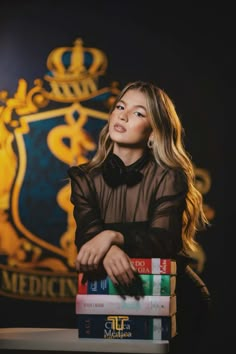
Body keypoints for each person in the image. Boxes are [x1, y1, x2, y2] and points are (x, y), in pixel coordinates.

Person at [68, 81, 211, 353]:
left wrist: (111, 236)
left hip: (176, 302)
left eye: (138, 113)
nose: (122, 115)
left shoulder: (169, 177)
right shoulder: (84, 178)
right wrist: (107, 250)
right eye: (120, 107)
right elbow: (87, 238)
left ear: (154, 133)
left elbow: (164, 241)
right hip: (112, 302)